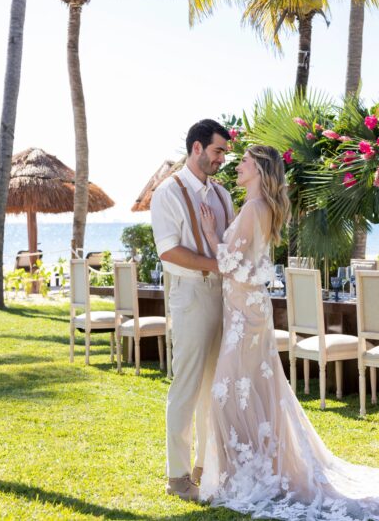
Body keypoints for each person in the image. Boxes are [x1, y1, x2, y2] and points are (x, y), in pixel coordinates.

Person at [197, 145, 379, 520]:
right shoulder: (259, 207)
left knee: (231, 391)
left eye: (244, 162)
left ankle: (246, 474)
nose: (237, 166)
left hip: (245, 313)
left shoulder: (255, 209)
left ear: (259, 169)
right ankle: (253, 469)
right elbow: (243, 259)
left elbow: (229, 264)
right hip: (248, 309)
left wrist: (209, 233)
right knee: (250, 388)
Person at [150, 119, 235, 500]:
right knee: (186, 385)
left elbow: (231, 244)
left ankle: (205, 466)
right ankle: (178, 476)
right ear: (197, 148)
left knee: (214, 387)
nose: (222, 159)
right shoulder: (167, 192)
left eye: (224, 153)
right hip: (189, 294)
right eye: (218, 151)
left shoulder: (222, 195)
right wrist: (219, 266)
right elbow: (168, 250)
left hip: (223, 297)